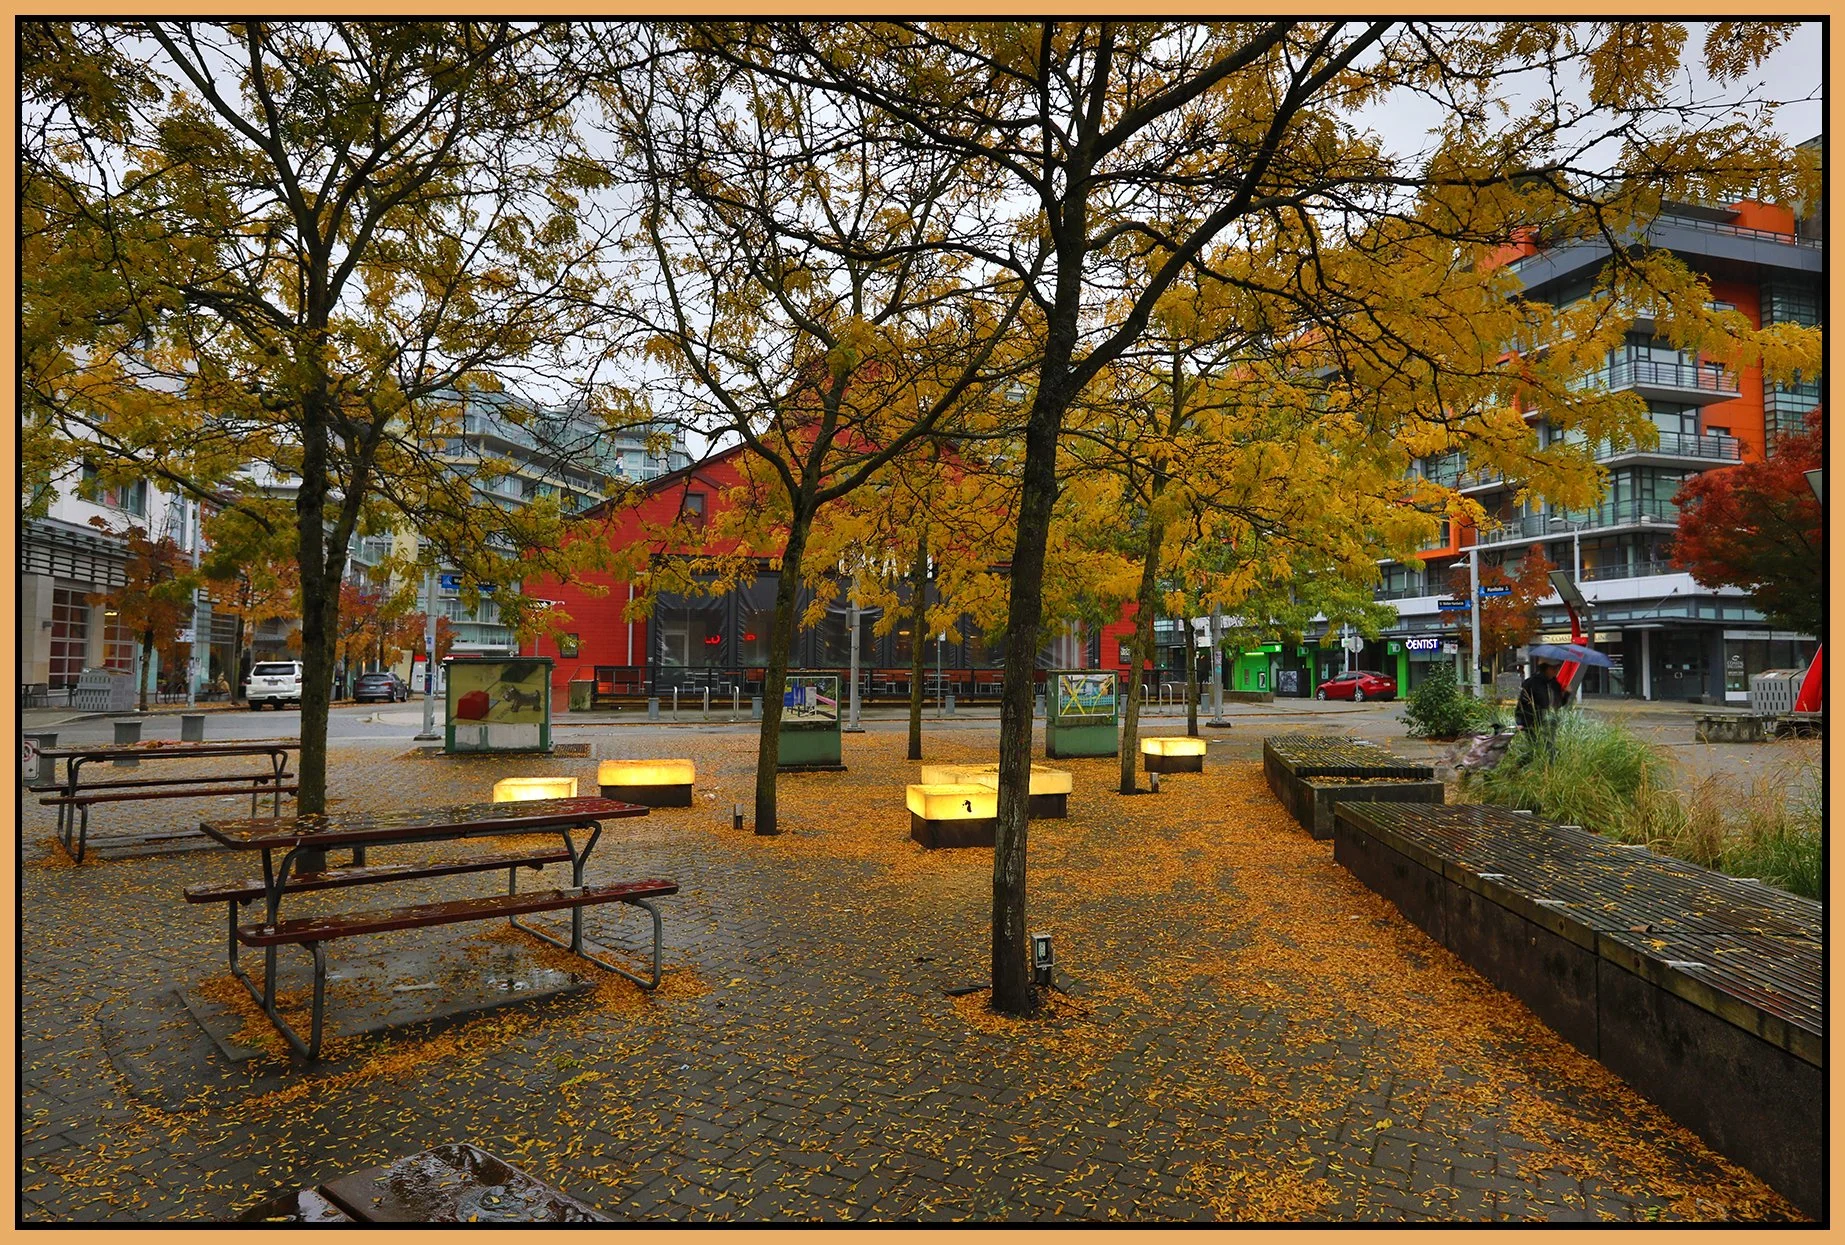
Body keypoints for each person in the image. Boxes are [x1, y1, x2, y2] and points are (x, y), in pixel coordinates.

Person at [1515, 658, 1568, 734]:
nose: (1556, 670)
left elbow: (1558, 704)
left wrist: (1566, 694)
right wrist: (1520, 722)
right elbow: (1522, 704)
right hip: (1533, 725)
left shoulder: (1555, 685)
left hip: (1550, 725)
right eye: (1553, 667)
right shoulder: (1532, 683)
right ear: (1546, 668)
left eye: (1557, 667)